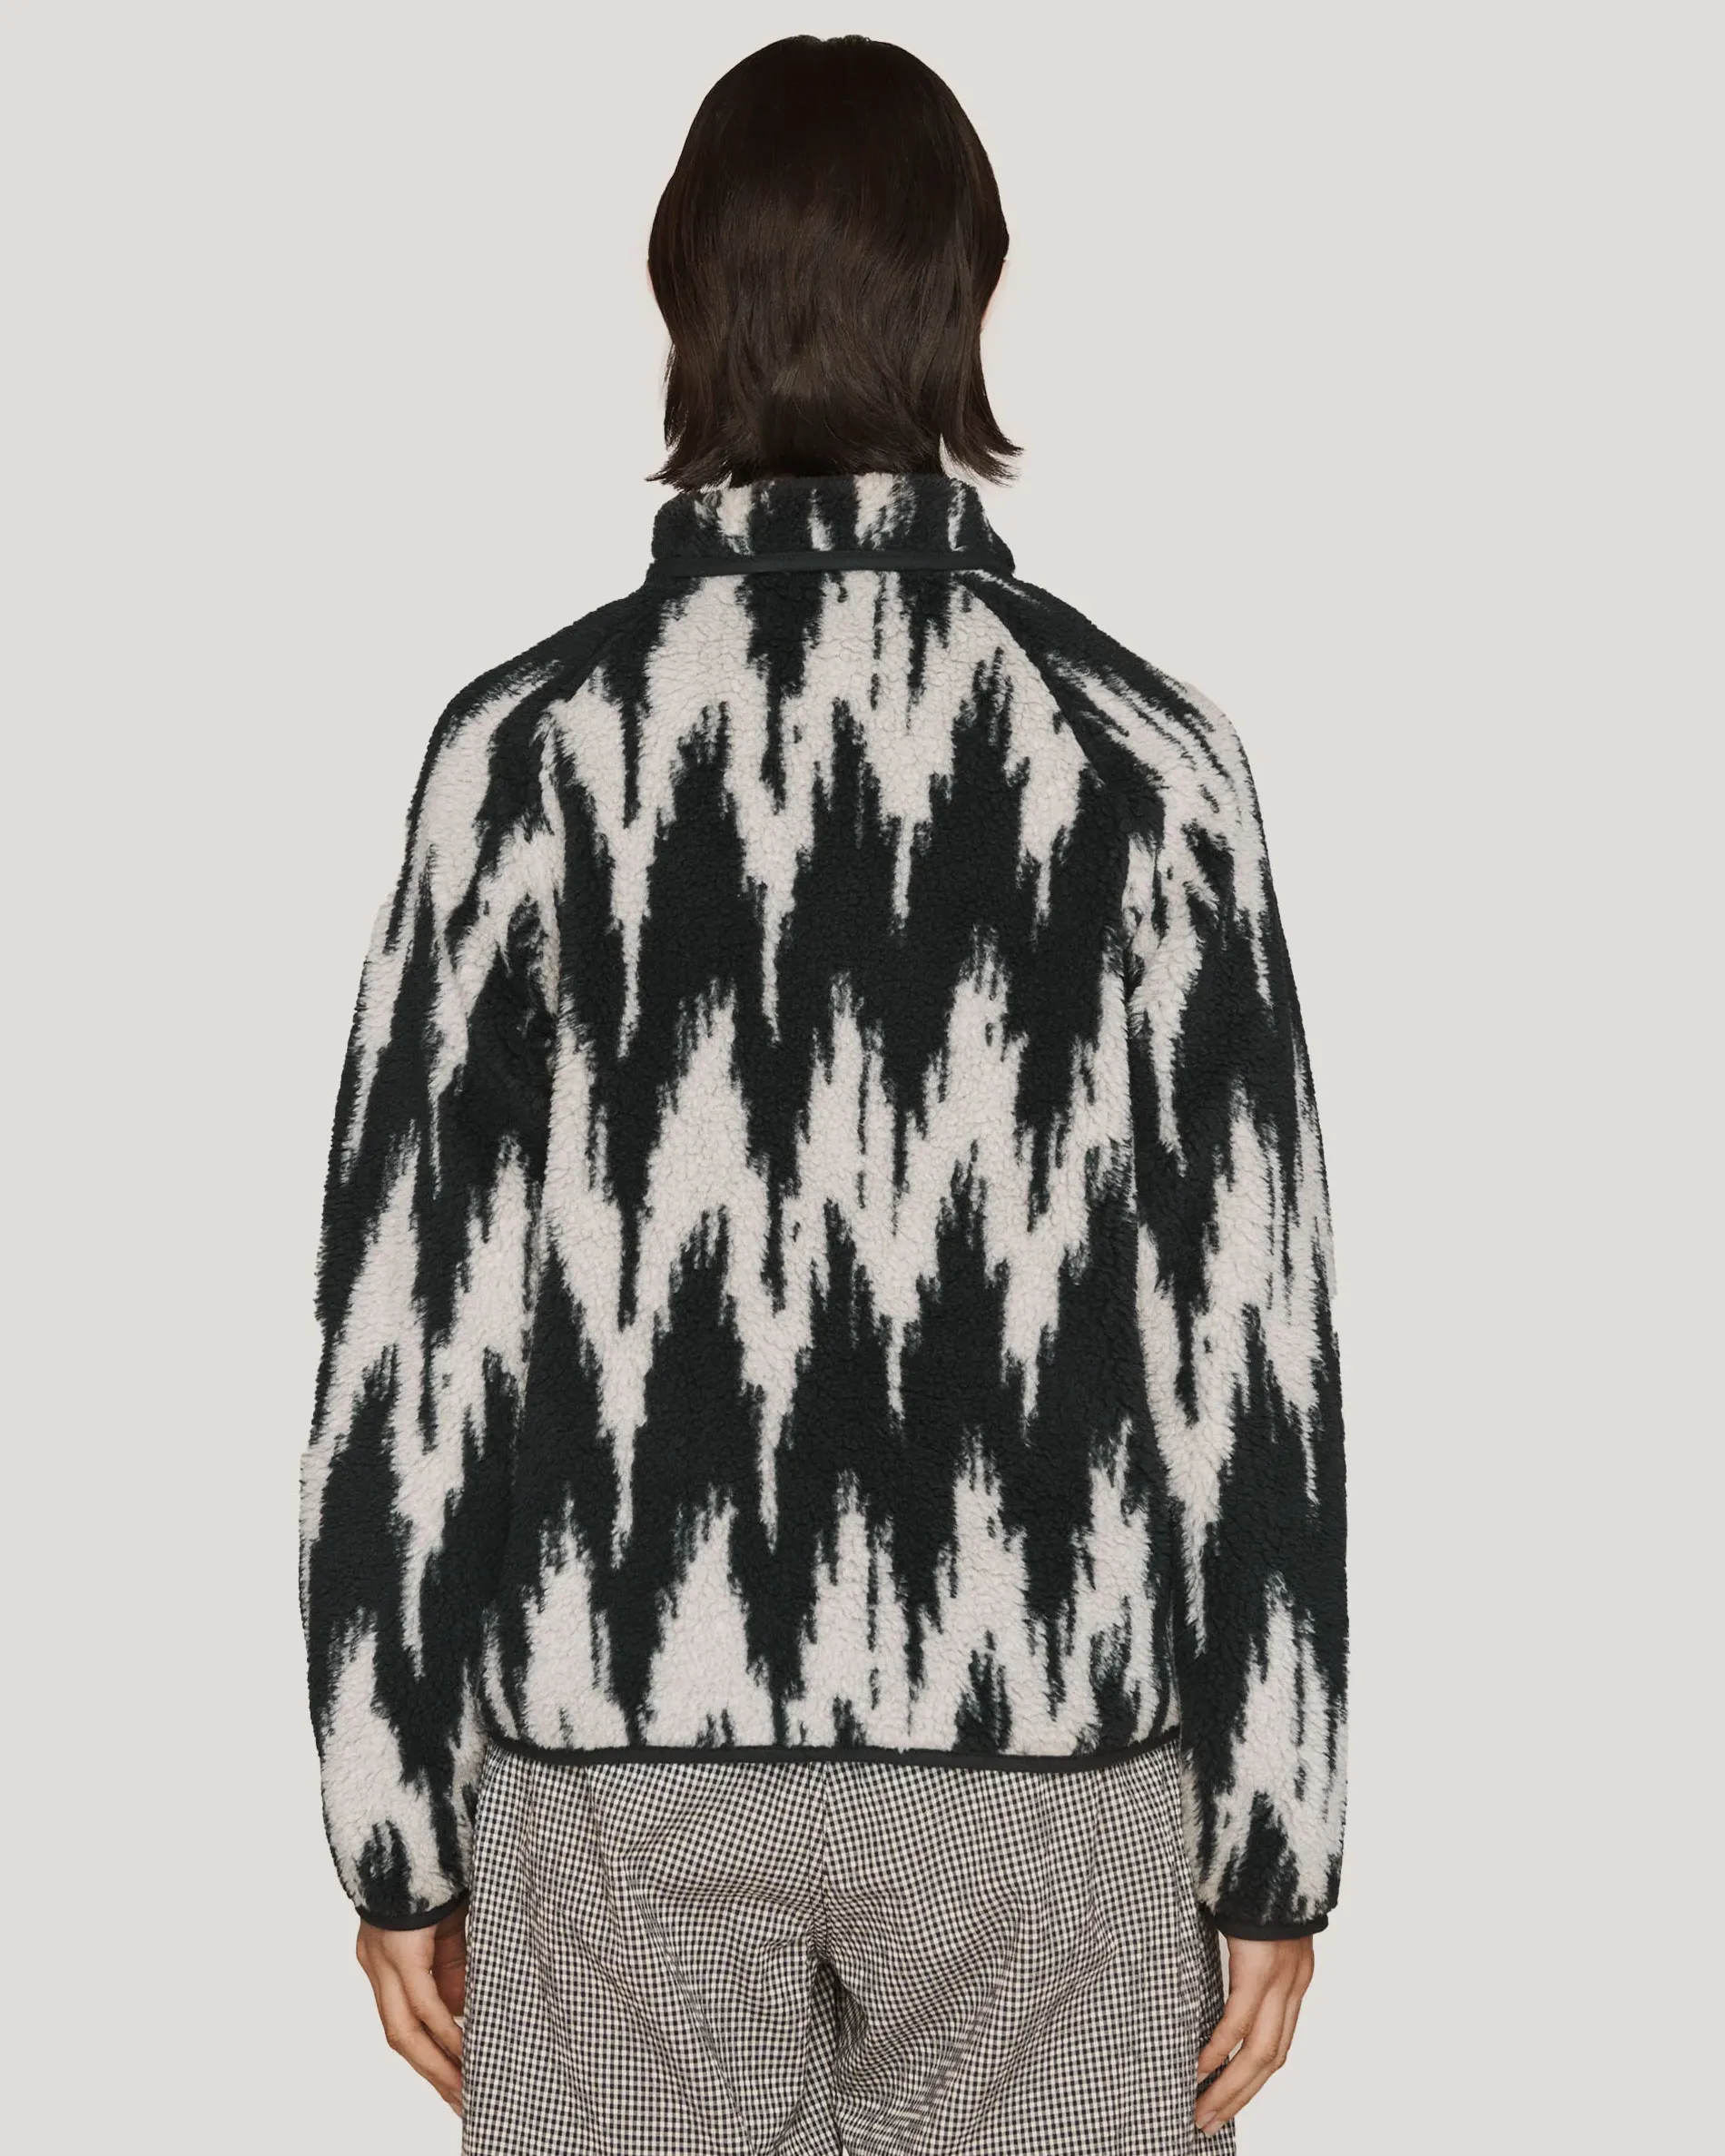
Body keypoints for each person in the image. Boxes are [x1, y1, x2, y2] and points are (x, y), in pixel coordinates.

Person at [299, 34, 1348, 2153]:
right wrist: (1276, 1826)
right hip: (1051, 1752)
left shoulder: (522, 754)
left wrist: (388, 1811)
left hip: (617, 1734)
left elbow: (411, 1319)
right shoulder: (1138, 759)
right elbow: (1244, 1321)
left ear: (677, 293)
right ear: (970, 298)